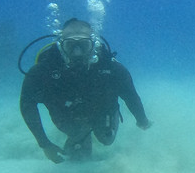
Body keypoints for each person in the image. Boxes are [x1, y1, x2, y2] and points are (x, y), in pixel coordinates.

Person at [20, 18, 150, 162]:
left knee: (107, 139)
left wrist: (142, 120)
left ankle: (86, 133)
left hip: (102, 112)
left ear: (93, 45)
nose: (77, 52)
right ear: (60, 45)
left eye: (83, 45)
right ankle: (79, 136)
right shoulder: (43, 70)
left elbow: (130, 95)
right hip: (66, 116)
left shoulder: (112, 68)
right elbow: (27, 105)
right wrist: (45, 144)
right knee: (78, 149)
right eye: (70, 45)